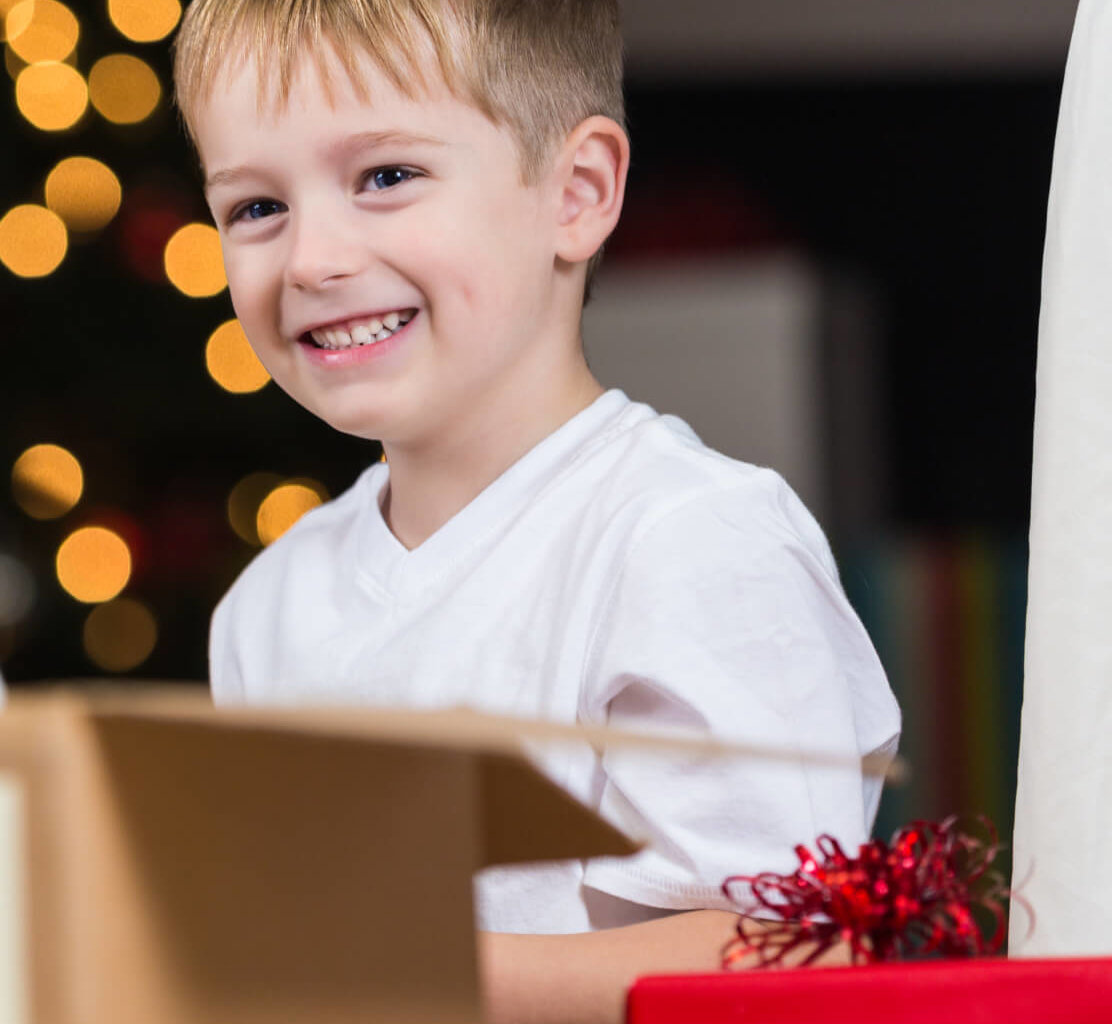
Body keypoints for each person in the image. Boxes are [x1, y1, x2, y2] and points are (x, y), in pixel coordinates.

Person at [173, 1, 901, 1021]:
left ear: (576, 192)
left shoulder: (685, 539)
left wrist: (390, 969)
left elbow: (797, 957)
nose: (309, 261)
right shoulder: (267, 605)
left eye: (383, 177)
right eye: (254, 208)